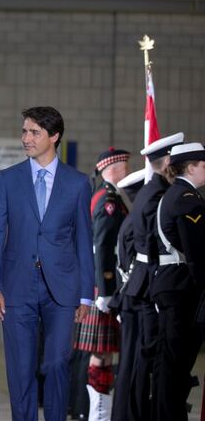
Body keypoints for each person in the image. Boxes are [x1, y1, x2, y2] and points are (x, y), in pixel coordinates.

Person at [0, 106, 94, 421]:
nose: (26, 139)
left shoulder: (77, 183)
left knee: (57, 362)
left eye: (34, 132)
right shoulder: (7, 179)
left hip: (62, 289)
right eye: (24, 131)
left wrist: (86, 294)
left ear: (54, 136)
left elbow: (84, 241)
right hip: (16, 287)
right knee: (20, 369)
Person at [121, 132, 184, 421]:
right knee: (150, 355)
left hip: (142, 280)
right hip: (150, 280)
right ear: (169, 160)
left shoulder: (150, 190)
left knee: (144, 355)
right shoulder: (158, 193)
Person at [72, 148, 130, 421]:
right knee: (99, 355)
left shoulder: (110, 197)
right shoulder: (107, 200)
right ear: (112, 167)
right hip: (101, 288)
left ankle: (100, 412)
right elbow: (102, 247)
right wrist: (105, 290)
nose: (127, 171)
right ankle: (97, 414)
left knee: (104, 356)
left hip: (102, 286)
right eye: (124, 165)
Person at [149, 142, 205, 421]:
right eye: (203, 164)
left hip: (169, 284)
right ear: (191, 167)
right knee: (176, 363)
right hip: (181, 288)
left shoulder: (172, 194)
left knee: (169, 362)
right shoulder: (187, 198)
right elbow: (196, 251)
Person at [109, 168, 146, 421]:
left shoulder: (130, 219)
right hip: (133, 297)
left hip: (128, 295)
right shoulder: (135, 222)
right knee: (131, 364)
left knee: (128, 363)